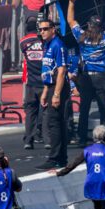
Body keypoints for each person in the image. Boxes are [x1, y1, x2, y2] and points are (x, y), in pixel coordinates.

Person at [68, 0, 105, 145]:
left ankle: (81, 138)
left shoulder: (81, 36)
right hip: (101, 77)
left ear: (89, 25)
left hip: (86, 77)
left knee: (84, 108)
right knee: (103, 109)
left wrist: (71, 2)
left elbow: (71, 20)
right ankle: (102, 139)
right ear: (100, 27)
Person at [39, 18, 69, 169]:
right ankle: (61, 158)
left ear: (53, 30)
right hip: (50, 86)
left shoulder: (58, 45)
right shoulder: (47, 45)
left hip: (58, 88)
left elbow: (62, 71)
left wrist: (56, 94)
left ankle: (54, 157)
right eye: (40, 29)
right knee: (56, 122)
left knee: (54, 123)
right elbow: (48, 71)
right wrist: (45, 91)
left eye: (45, 29)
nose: (42, 32)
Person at [19, 17, 44, 149]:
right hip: (44, 81)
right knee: (44, 110)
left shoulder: (24, 41)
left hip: (31, 82)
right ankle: (42, 135)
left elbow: (24, 50)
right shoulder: (45, 40)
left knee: (30, 112)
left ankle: (28, 139)